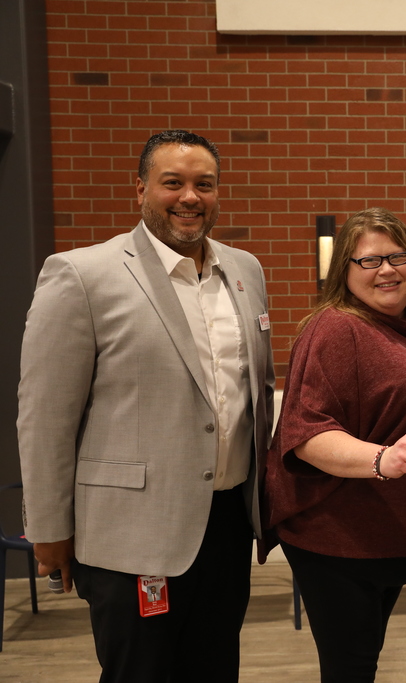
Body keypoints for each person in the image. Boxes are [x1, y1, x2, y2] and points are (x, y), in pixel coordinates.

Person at [17, 129, 275, 682]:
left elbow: (253, 393)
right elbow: (45, 417)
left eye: (204, 184)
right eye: (173, 183)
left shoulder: (245, 271)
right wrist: (48, 528)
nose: (190, 197)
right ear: (140, 189)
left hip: (226, 523)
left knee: (215, 669)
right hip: (130, 533)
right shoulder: (82, 275)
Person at [262, 208, 406, 682]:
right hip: (340, 539)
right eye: (369, 261)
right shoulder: (335, 328)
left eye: (398, 256)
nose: (388, 270)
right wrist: (382, 457)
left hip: (390, 535)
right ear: (344, 271)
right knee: (351, 669)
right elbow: (306, 433)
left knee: (363, 661)